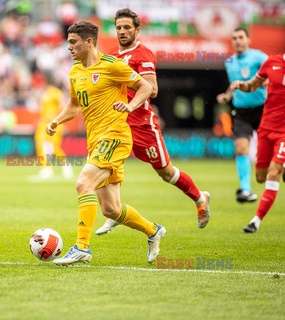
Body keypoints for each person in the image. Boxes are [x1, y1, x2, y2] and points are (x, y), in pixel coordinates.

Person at [47, 20, 166, 266]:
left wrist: (131, 106)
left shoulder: (113, 66)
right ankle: (153, 230)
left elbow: (146, 87)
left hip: (115, 136)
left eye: (73, 42)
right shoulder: (75, 72)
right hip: (96, 140)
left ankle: (82, 247)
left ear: (88, 41)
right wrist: (57, 121)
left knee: (83, 183)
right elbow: (74, 105)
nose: (68, 47)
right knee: (111, 209)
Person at [96, 8, 210, 235]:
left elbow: (153, 89)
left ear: (137, 30)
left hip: (142, 125)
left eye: (127, 27)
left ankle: (199, 198)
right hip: (118, 124)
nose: (122, 31)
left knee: (166, 173)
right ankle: (114, 211)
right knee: (107, 164)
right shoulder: (109, 57)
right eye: (118, 27)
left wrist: (128, 96)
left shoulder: (143, 54)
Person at [230, 53, 285, 233]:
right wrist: (241, 85)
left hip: (283, 134)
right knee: (260, 177)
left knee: (273, 174)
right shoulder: (272, 62)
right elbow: (253, 85)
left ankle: (255, 221)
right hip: (266, 129)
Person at [216, 27, 268, 203]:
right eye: (234, 38)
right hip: (241, 112)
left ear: (248, 39)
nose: (237, 41)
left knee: (271, 150)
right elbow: (234, 84)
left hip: (263, 109)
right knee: (240, 149)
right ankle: (245, 190)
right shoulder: (229, 62)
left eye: (240, 37)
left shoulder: (259, 57)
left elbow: (271, 78)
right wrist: (227, 96)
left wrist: (252, 85)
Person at [34, 73, 73, 179]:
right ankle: (46, 169)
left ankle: (66, 166)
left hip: (54, 123)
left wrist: (57, 119)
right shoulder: (45, 93)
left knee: (54, 147)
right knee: (41, 144)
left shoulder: (56, 92)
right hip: (44, 123)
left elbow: (63, 106)